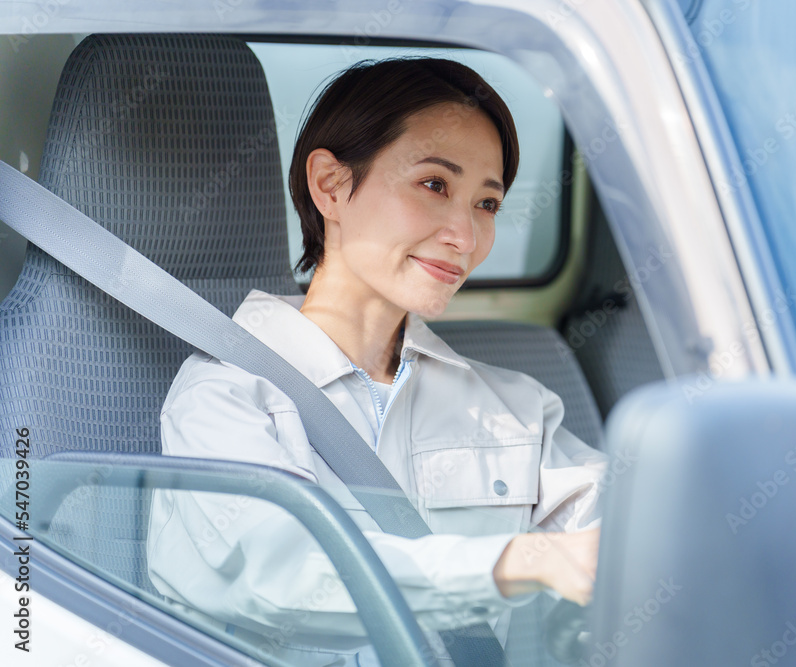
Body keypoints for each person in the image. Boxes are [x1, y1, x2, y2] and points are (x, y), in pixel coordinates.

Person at [146, 57, 607, 665]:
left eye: (487, 204)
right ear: (332, 186)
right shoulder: (225, 398)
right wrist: (520, 563)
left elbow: (632, 528)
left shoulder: (516, 408)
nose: (466, 238)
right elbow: (273, 576)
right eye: (435, 185)